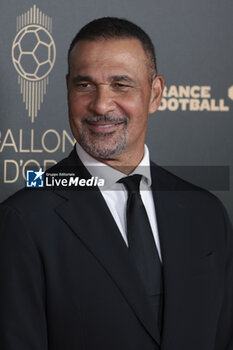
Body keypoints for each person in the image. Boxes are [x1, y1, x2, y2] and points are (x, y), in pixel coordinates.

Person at [0, 17, 232, 350]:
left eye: (120, 85)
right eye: (84, 85)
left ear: (155, 94)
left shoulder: (206, 213)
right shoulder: (23, 220)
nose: (100, 104)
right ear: (67, 89)